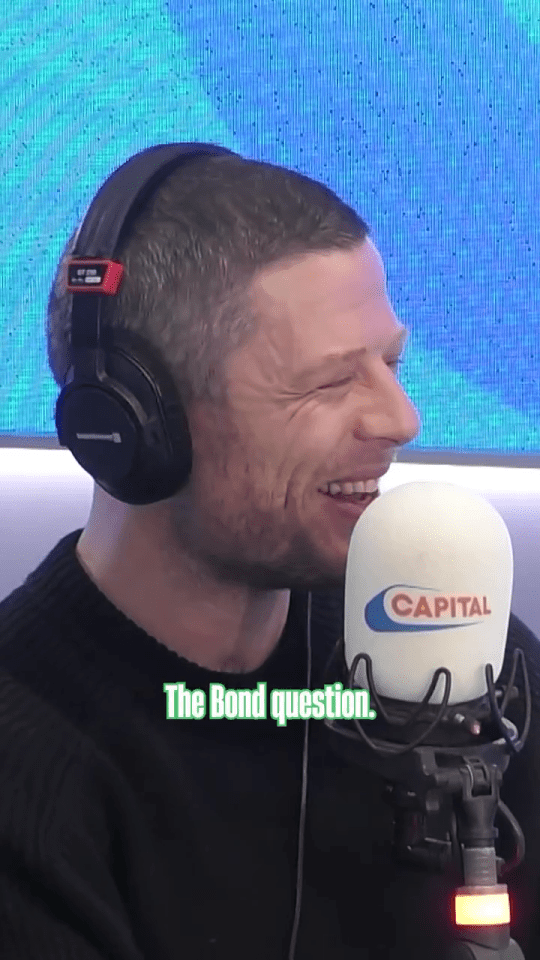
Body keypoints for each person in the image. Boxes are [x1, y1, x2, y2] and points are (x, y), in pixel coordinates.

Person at [0, 149, 539, 960]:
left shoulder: (442, 643)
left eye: (391, 364)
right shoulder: (27, 770)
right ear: (136, 426)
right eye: (327, 385)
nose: (401, 419)